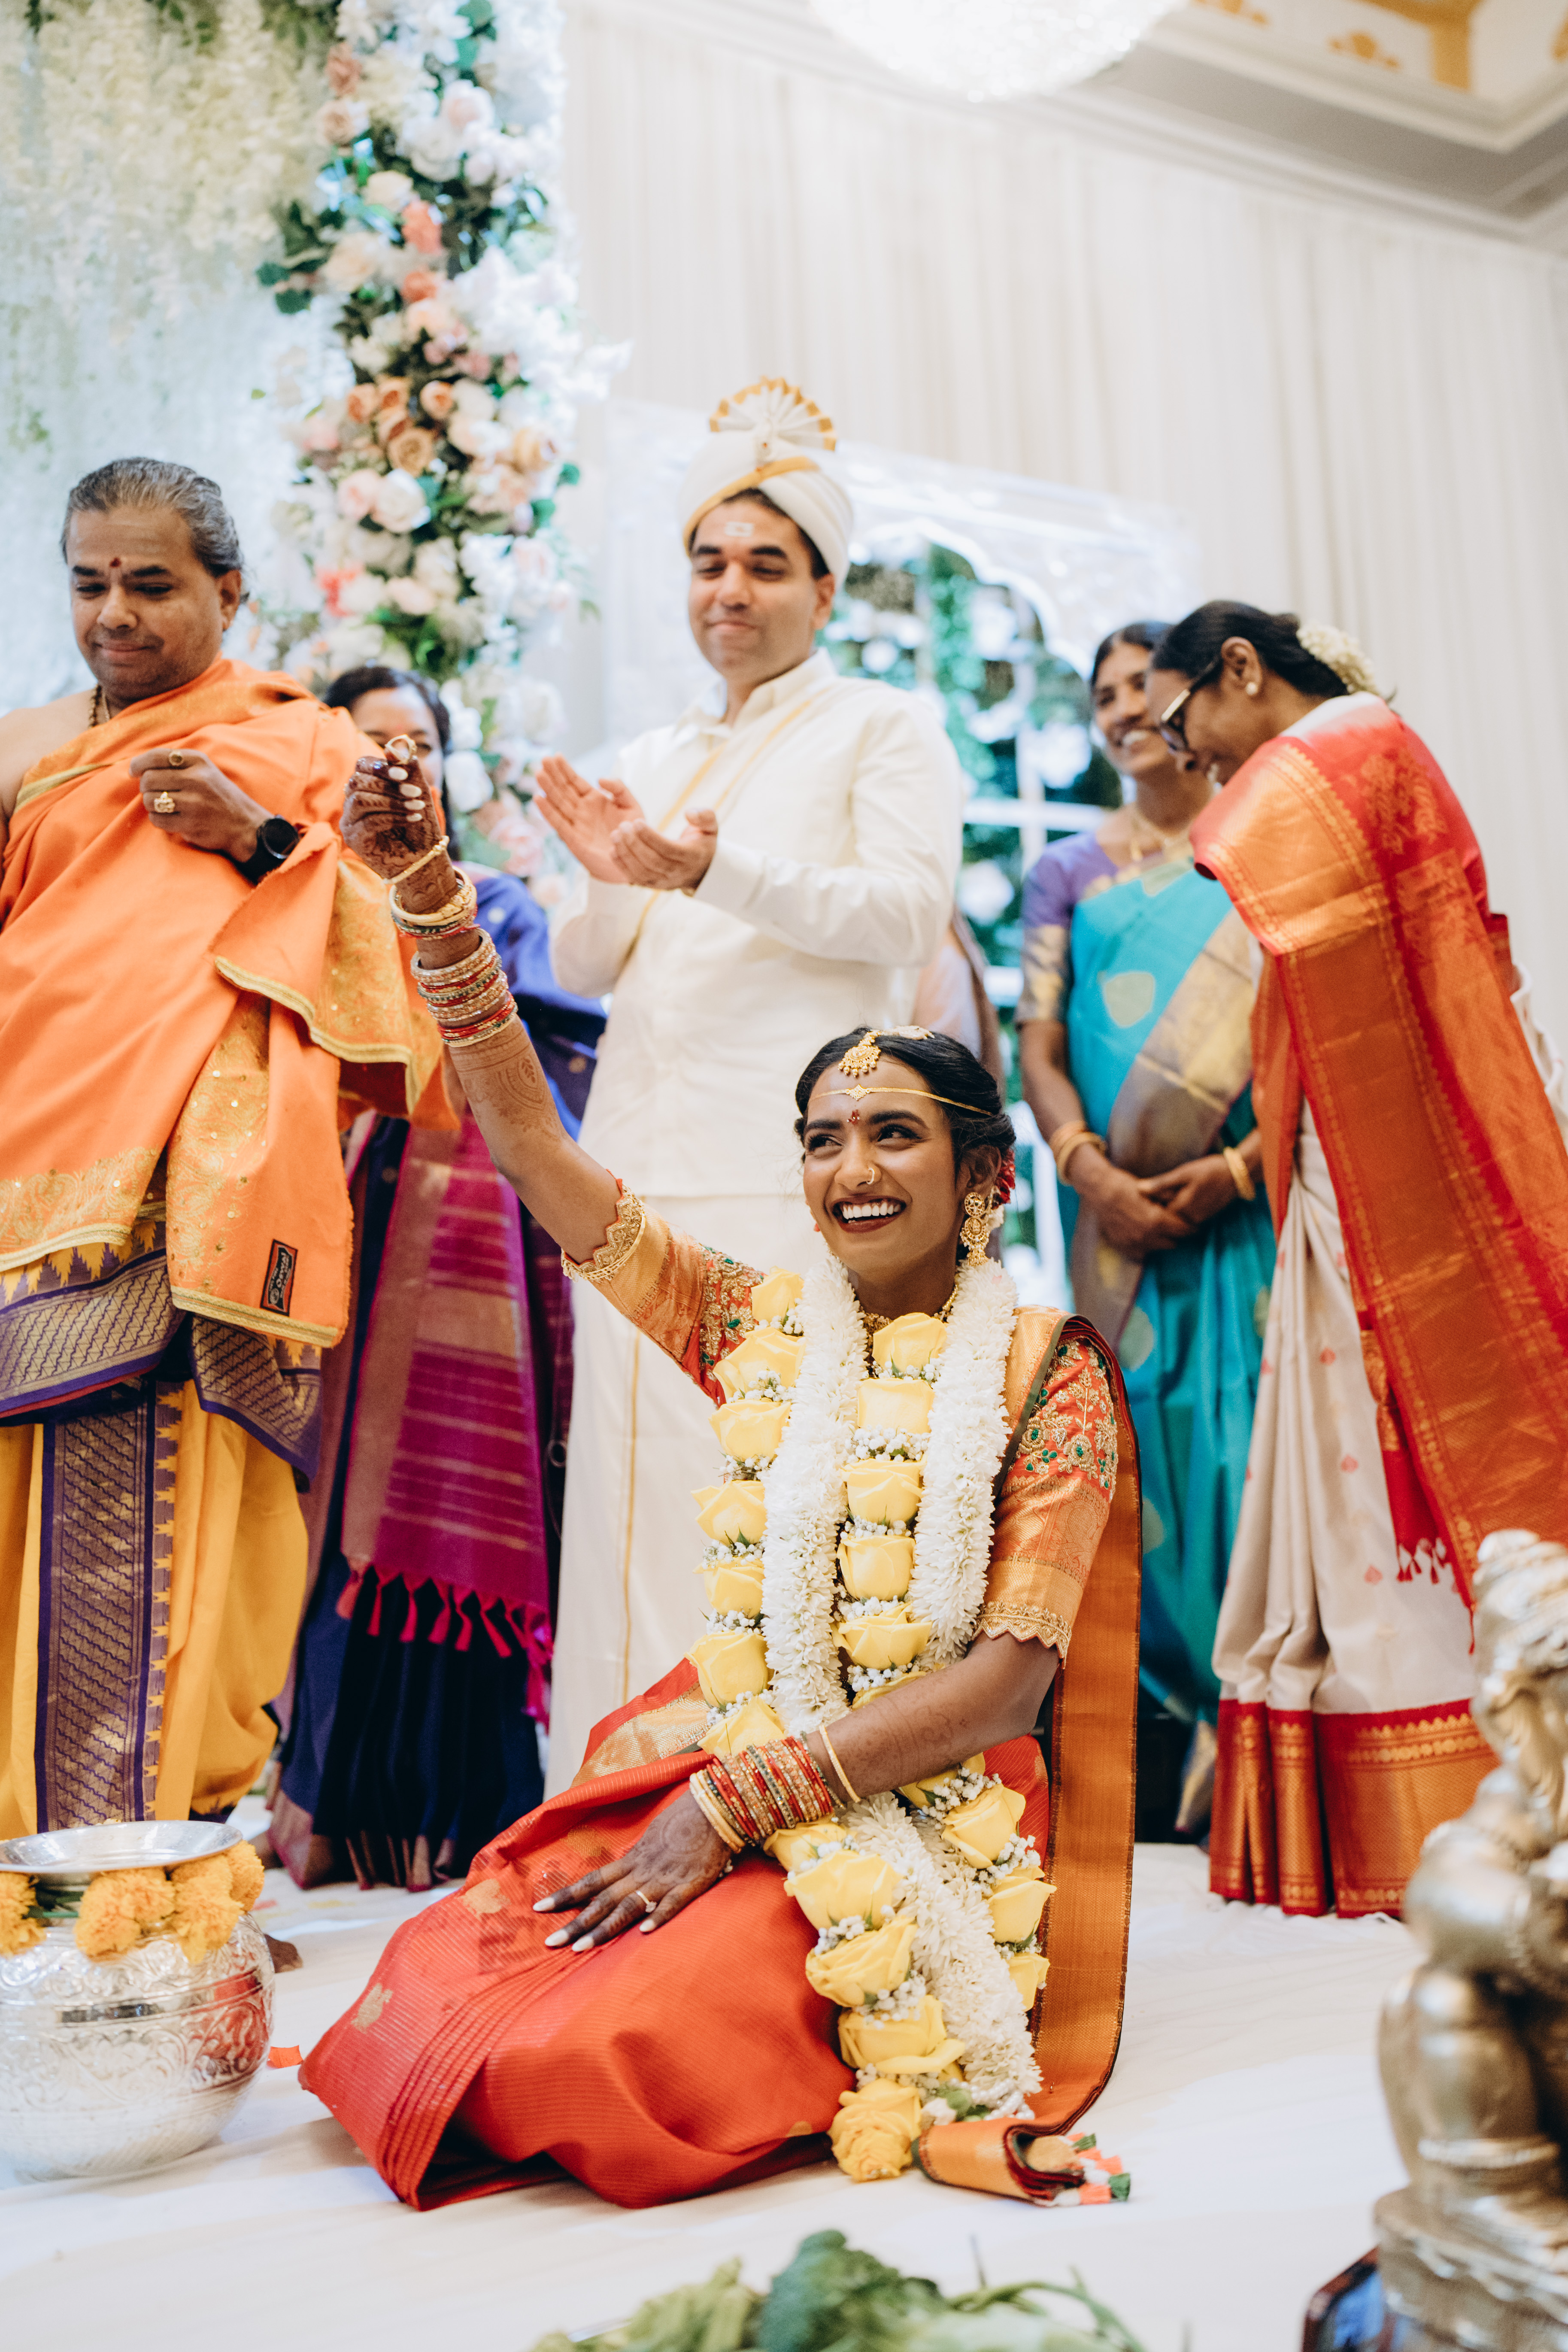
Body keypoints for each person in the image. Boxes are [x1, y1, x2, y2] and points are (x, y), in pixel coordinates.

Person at [295, 760, 1140, 2207]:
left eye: (893, 1133)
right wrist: (432, 895)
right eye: (823, 1139)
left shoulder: (1046, 1375)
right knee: (453, 1961)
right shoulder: (757, 1327)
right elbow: (536, 1151)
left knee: (608, 2046)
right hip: (736, 1743)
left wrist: (737, 1809)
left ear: (984, 1178)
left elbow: (1008, 1685)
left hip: (925, 1801)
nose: (852, 1168)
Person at [0, 458, 440, 1839]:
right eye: (89, 584)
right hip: (25, 1172)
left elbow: (408, 960)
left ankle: (140, 1870)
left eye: (151, 585)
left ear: (231, 591)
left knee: (163, 1534)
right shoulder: (28, 749)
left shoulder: (304, 746)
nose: (114, 615)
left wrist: (254, 837)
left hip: (190, 1194)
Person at [533, 379, 962, 1788]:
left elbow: (906, 912)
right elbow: (591, 962)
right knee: (623, 1483)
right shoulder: (658, 753)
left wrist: (717, 866)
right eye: (710, 561)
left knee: (762, 1489)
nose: (732, 589)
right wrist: (608, 877)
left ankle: (756, 1800)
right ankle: (604, 1794)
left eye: (767, 564)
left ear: (824, 589)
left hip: (783, 1167)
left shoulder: (879, 726)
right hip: (634, 1163)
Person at [1147, 600, 1568, 1917]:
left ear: (1240, 669)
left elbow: (1239, 855)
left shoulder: (1353, 743)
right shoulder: (1347, 754)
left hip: (1406, 1165)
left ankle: (1479, 1774)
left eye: (1182, 722)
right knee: (1352, 1459)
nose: (1183, 757)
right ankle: (1413, 1788)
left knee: (1419, 1455)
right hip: (1349, 1160)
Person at [265, 667, 604, 1890]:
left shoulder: (496, 900)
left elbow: (540, 1048)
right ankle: (329, 1804)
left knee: (450, 1490)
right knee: (320, 1494)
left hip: (471, 1240)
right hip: (329, 1221)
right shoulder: (297, 897)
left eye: (420, 742)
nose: (399, 762)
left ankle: (462, 1810)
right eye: (373, 740)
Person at [1016, 624, 1276, 1836]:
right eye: (1104, 693)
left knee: (1248, 1443)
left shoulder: (1255, 845)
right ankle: (1180, 1723)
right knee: (1143, 1460)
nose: (1125, 709)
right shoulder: (1070, 870)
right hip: (1111, 1220)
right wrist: (1086, 1169)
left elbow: (1301, 1026)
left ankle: (1266, 1723)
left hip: (1246, 1209)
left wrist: (1238, 1170)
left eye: (1145, 688)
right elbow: (1041, 1041)